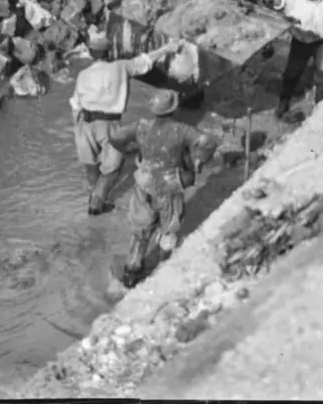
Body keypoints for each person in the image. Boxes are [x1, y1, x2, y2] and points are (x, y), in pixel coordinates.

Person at [109, 89, 220, 288]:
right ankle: (161, 273)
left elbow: (115, 137)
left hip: (144, 181)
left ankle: (131, 274)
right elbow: (208, 142)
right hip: (170, 185)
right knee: (169, 229)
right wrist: (198, 162)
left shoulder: (141, 126)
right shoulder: (181, 130)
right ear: (174, 109)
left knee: (140, 230)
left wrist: (130, 151)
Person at [70, 35, 182, 215]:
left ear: (91, 53)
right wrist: (167, 48)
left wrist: (77, 128)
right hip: (109, 123)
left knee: (90, 164)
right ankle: (96, 202)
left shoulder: (83, 74)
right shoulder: (121, 66)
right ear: (109, 52)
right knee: (114, 166)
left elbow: (75, 104)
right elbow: (145, 61)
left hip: (84, 124)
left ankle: (93, 192)